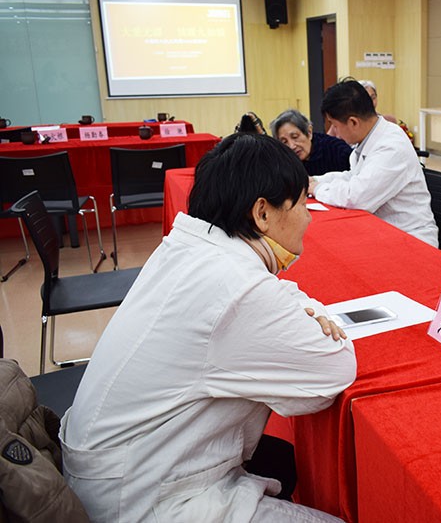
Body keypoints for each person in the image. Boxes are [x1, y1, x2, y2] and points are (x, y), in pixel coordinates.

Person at [59, 133, 357, 522]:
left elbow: (280, 296)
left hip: (120, 468)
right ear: (262, 213)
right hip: (140, 500)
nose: (308, 216)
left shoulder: (190, 249)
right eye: (301, 204)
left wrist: (301, 308)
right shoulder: (235, 287)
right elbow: (331, 370)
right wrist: (315, 314)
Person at [309, 78, 439, 248]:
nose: (336, 134)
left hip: (410, 239)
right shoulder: (368, 137)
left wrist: (317, 189)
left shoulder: (391, 147)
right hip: (381, 230)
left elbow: (356, 197)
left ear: (353, 122)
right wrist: (316, 180)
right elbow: (353, 176)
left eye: (335, 125)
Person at [270, 108, 352, 177]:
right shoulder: (283, 162)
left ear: (309, 132)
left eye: (295, 137)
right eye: (284, 142)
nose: (292, 146)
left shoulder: (337, 150)